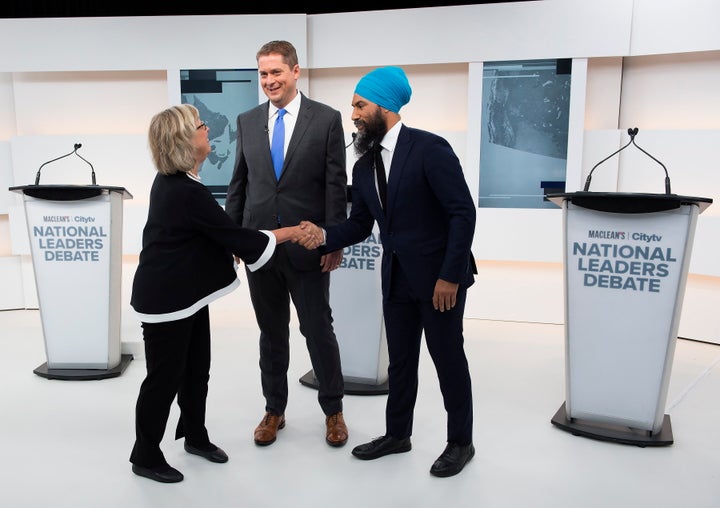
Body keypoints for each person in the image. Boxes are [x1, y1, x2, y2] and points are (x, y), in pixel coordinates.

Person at [298, 66, 477, 477]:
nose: (354, 115)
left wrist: (449, 276)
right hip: (395, 280)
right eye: (353, 107)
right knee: (400, 362)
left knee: (448, 360)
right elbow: (361, 225)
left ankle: (461, 442)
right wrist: (323, 236)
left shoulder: (430, 149)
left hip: (439, 283)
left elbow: (461, 213)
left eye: (360, 105)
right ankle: (398, 434)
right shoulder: (363, 167)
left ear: (385, 106)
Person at [129, 103, 304, 484]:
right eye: (201, 125)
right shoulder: (182, 191)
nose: (208, 129)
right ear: (184, 140)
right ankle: (145, 454)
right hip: (166, 301)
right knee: (163, 380)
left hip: (188, 295)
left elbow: (214, 234)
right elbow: (234, 235)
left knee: (196, 372)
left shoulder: (182, 183)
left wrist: (233, 243)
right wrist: (291, 232)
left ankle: (195, 435)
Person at [224, 40, 349, 447]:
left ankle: (334, 411)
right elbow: (239, 184)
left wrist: (335, 239)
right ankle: (274, 410)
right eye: (263, 73)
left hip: (308, 247)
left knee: (318, 331)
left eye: (276, 72)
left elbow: (335, 186)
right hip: (260, 249)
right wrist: (232, 237)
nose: (269, 81)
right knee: (271, 334)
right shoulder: (246, 120)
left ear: (296, 71)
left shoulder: (326, 120)